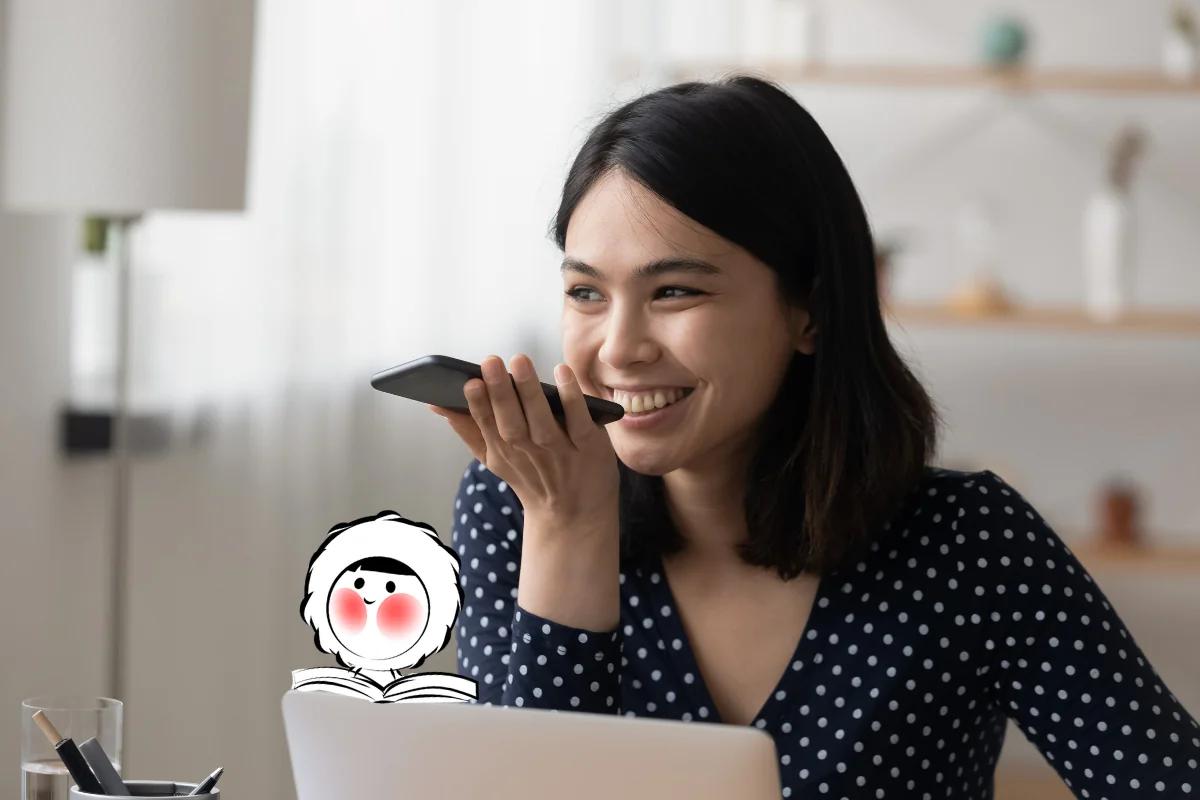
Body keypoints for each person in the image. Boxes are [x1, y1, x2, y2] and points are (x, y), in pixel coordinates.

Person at [429, 75, 1200, 799]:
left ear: (810, 310)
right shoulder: (520, 511)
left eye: (674, 291)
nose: (619, 346)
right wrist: (569, 528)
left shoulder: (970, 547)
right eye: (586, 292)